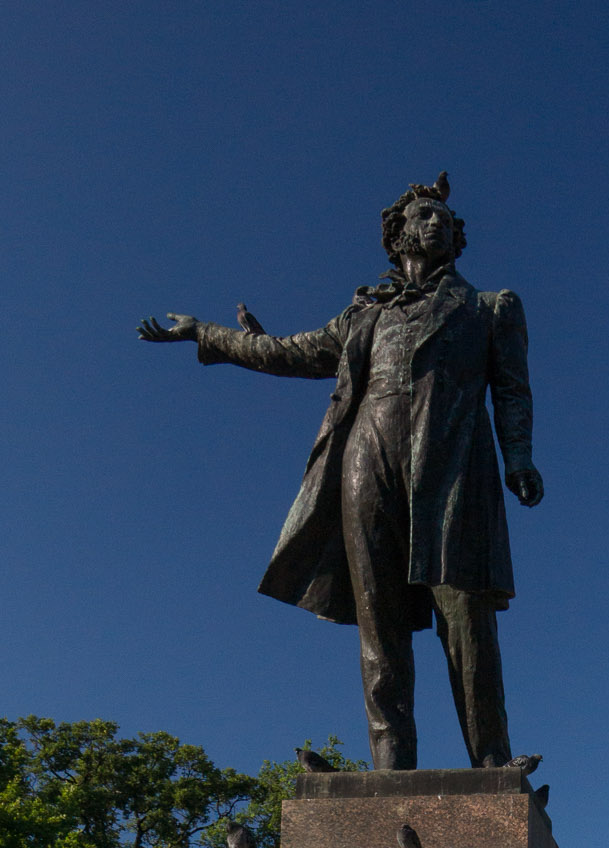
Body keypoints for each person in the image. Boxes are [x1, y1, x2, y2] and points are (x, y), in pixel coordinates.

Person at [138, 173, 542, 773]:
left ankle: (491, 763)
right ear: (398, 236)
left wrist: (518, 455)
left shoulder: (489, 308)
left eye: (443, 219)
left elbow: (511, 389)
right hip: (367, 462)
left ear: (457, 240)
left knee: (466, 620)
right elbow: (285, 352)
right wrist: (208, 334)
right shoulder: (362, 317)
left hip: (452, 468)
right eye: (422, 215)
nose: (434, 223)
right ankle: (391, 769)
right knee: (379, 625)